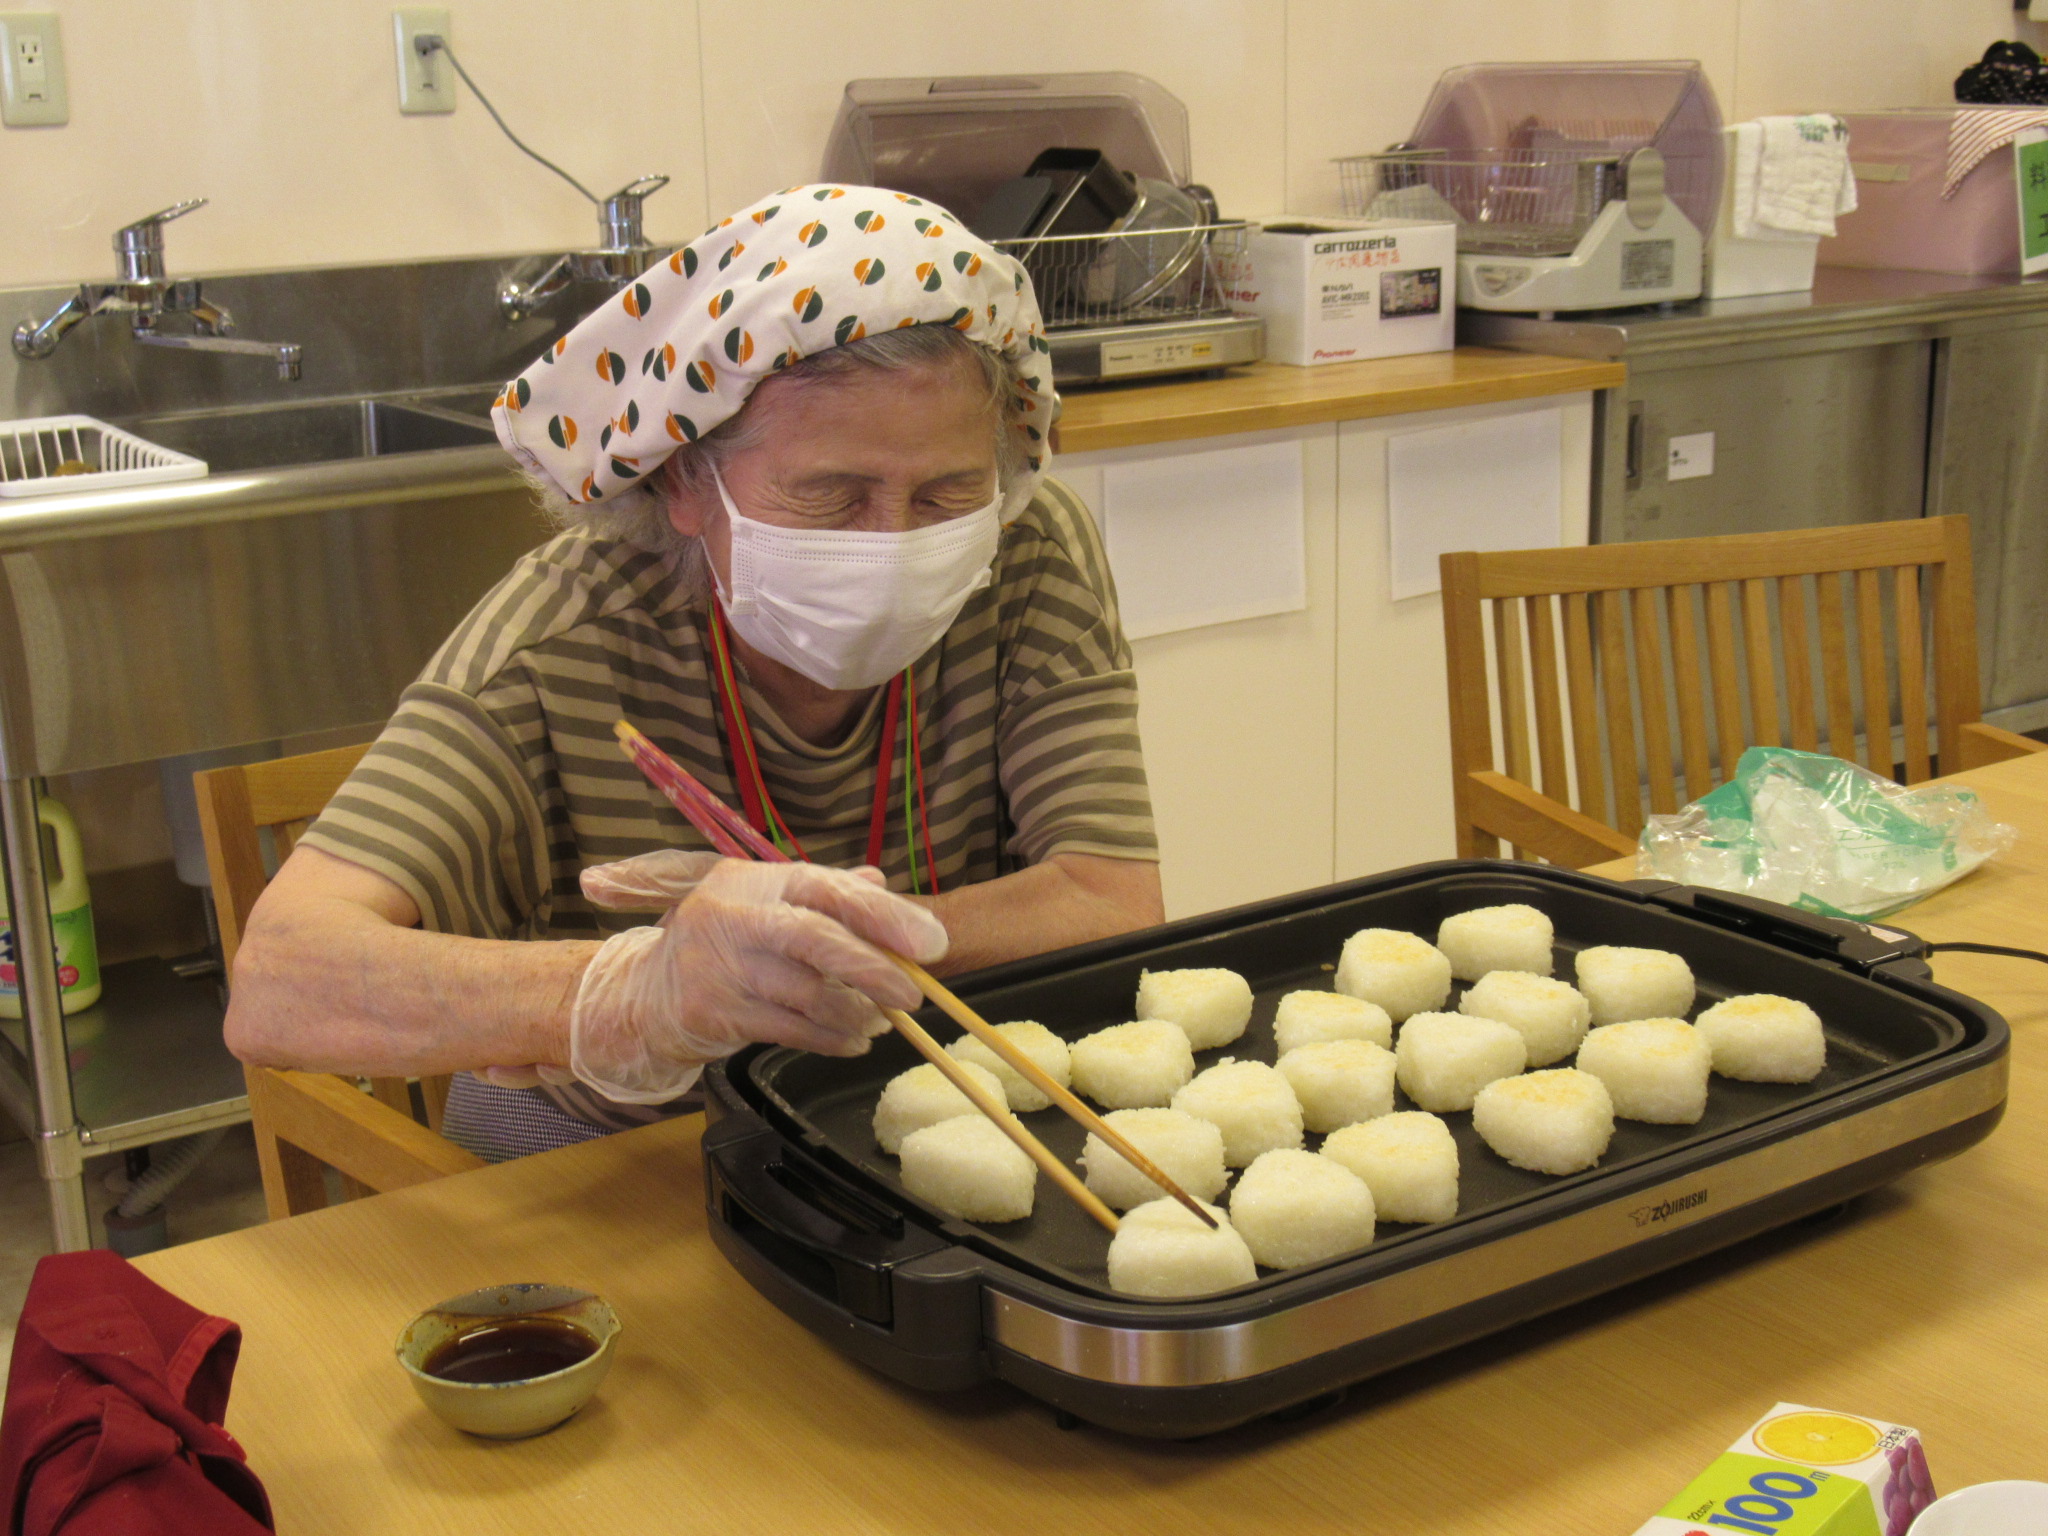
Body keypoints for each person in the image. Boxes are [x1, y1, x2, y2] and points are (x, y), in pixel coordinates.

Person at [224, 184, 1162, 1162]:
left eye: (945, 492)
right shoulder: (557, 648)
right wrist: (636, 994)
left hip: (925, 1130)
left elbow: (1106, 899)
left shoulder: (1025, 555)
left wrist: (818, 943)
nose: (893, 544)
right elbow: (283, 978)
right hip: (615, 1164)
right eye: (831, 496)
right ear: (683, 480)